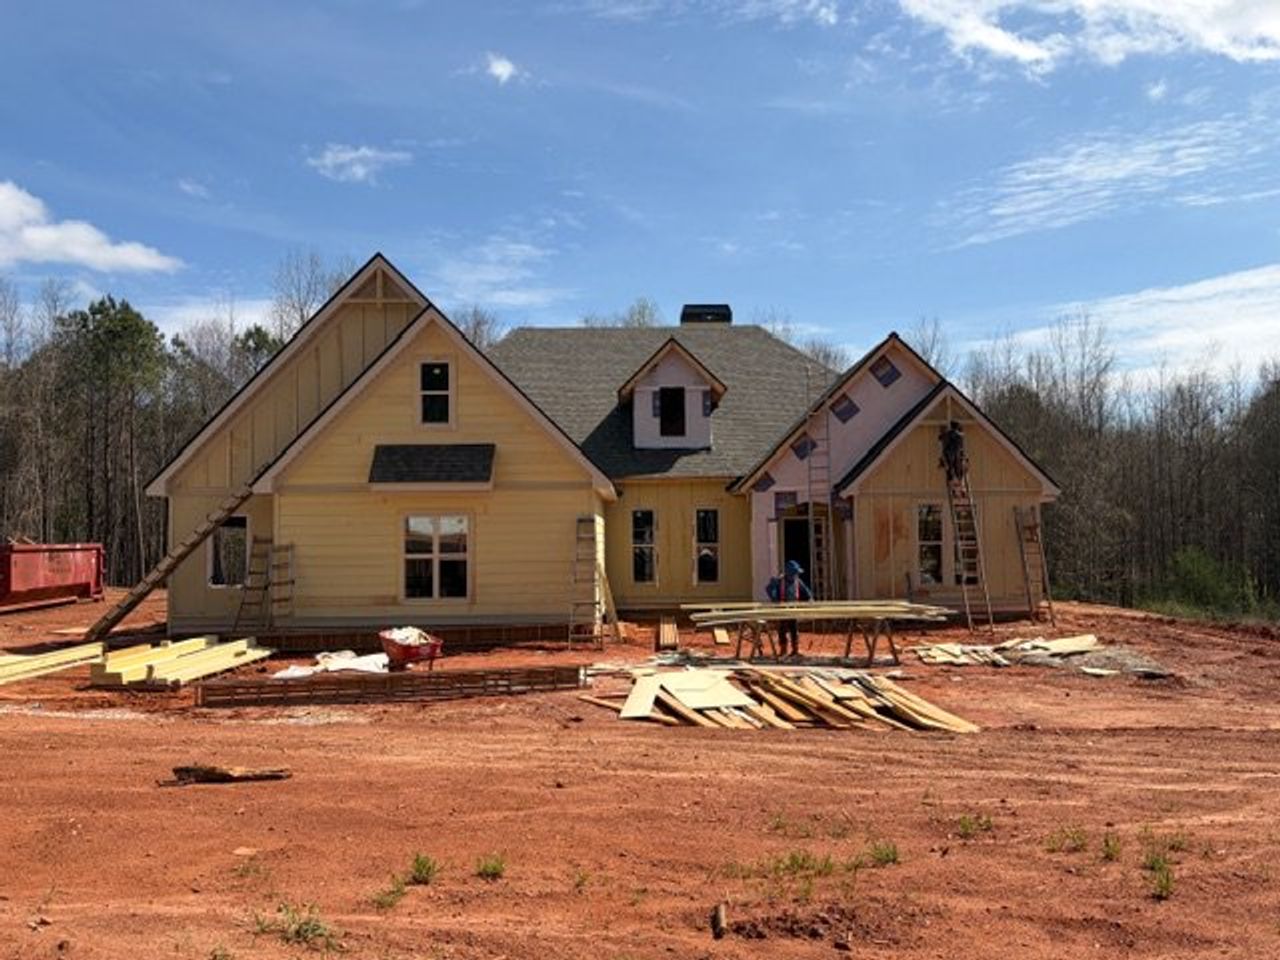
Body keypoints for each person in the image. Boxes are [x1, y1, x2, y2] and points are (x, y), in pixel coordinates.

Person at [765, 559, 812, 657]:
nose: (796, 575)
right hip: (782, 610)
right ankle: (783, 650)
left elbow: (806, 592)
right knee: (782, 629)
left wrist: (810, 599)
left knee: (794, 629)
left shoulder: (797, 581)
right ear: (789, 573)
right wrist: (774, 597)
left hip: (793, 610)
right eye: (794, 573)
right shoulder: (779, 581)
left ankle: (795, 650)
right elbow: (769, 589)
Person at [940, 420, 967, 485]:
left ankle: (951, 479)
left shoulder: (948, 434)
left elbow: (941, 438)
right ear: (957, 427)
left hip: (948, 453)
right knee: (956, 466)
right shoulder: (958, 435)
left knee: (950, 466)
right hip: (954, 452)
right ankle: (957, 479)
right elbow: (961, 443)